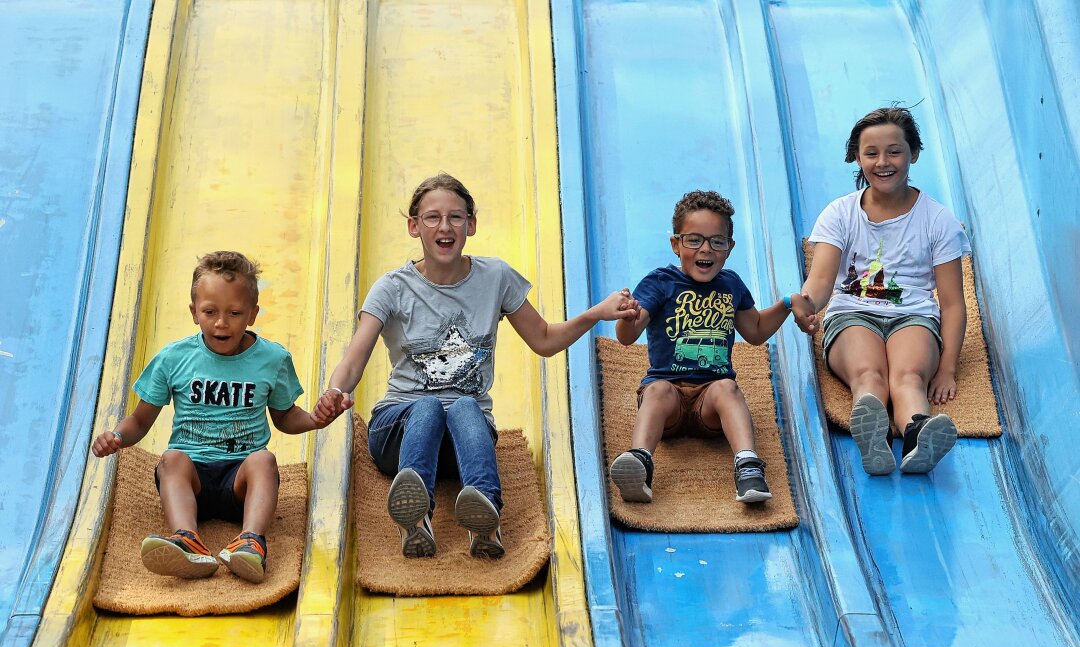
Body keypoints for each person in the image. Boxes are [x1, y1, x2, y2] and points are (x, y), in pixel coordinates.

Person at [314, 173, 635, 559]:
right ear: (415, 226)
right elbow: (355, 356)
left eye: (456, 217)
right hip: (396, 431)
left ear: (472, 224)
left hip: (462, 441)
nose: (445, 226)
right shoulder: (392, 288)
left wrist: (596, 313)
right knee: (428, 406)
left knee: (467, 406)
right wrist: (336, 391)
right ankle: (415, 517)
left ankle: (484, 516)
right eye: (432, 217)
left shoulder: (495, 277)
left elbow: (545, 340)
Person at [91, 251, 331, 582]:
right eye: (210, 312)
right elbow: (140, 421)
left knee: (264, 460)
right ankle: (187, 538)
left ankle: (251, 541)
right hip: (193, 482)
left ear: (252, 314)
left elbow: (286, 418)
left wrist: (315, 420)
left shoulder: (273, 359)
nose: (221, 322)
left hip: (240, 483)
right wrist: (117, 436)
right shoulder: (174, 358)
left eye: (234, 313)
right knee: (172, 458)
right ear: (194, 312)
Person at [610, 190, 812, 504]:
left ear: (729, 248)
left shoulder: (731, 285)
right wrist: (627, 315)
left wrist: (787, 303)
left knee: (726, 388)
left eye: (717, 241)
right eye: (694, 240)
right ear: (676, 244)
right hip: (670, 401)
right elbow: (627, 335)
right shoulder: (660, 282)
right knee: (657, 390)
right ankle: (640, 461)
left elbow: (756, 331)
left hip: (710, 404)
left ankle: (747, 466)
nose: (706, 248)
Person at [796, 106, 967, 475]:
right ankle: (873, 438)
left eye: (894, 151)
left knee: (907, 376)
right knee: (870, 374)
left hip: (913, 315)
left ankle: (918, 433)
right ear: (856, 157)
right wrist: (807, 303)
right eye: (871, 153)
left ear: (914, 154)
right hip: (853, 314)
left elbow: (952, 304)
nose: (883, 162)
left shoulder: (939, 220)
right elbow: (822, 280)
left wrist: (948, 369)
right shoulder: (840, 213)